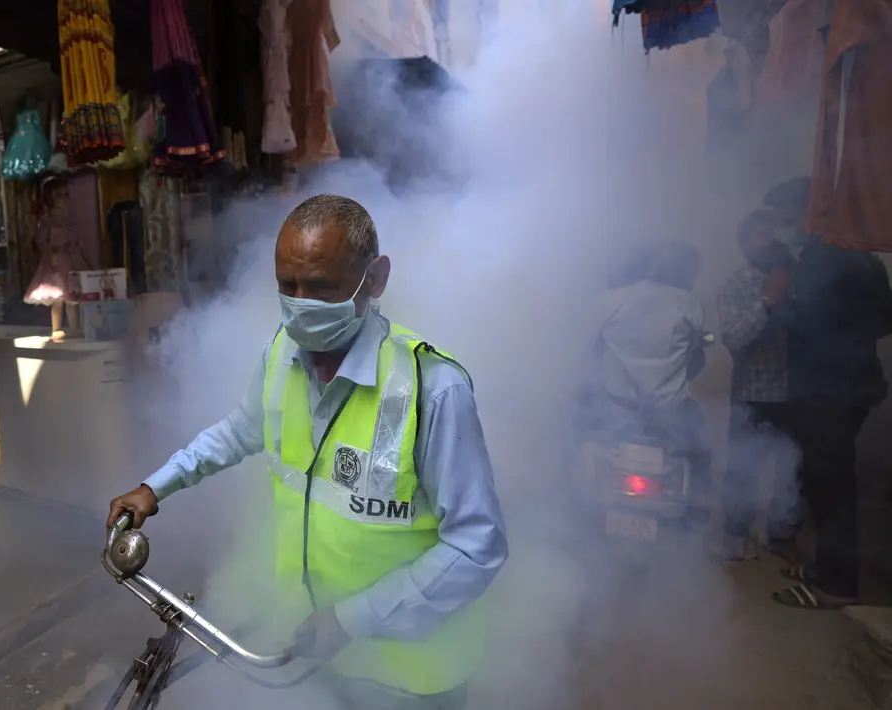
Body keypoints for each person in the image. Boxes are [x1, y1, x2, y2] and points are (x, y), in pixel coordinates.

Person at [107, 194, 508, 709]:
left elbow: (478, 545)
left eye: (321, 287)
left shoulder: (432, 389)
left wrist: (351, 619)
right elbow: (240, 431)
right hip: (318, 657)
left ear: (376, 279)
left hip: (412, 677)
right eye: (286, 287)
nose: (300, 304)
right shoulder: (282, 354)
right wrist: (155, 486)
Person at [762, 181, 892, 610]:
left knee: (830, 487)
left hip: (826, 390)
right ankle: (827, 568)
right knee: (830, 482)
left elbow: (809, 326)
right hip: (856, 384)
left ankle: (836, 585)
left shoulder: (821, 255)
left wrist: (775, 302)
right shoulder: (861, 254)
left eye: (784, 215)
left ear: (809, 212)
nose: (781, 226)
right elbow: (883, 322)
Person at [718, 210, 802, 562]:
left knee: (794, 471)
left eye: (775, 234)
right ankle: (736, 537)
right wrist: (767, 301)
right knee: (744, 471)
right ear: (746, 245)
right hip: (754, 394)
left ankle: (781, 539)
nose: (772, 242)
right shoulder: (738, 283)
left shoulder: (801, 278)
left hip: (799, 393)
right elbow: (734, 339)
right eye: (762, 236)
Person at [582, 241, 710, 462]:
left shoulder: (609, 301)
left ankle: (570, 492)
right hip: (672, 414)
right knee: (699, 460)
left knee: (575, 444)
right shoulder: (689, 303)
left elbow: (585, 352)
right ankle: (701, 491)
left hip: (616, 411)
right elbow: (697, 352)